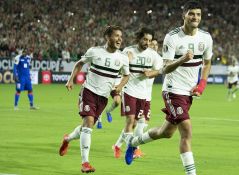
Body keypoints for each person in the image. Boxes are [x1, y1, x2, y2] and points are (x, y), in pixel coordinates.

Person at [125, 1, 213, 175]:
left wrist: (202, 83)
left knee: (165, 132)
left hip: (189, 93)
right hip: (173, 90)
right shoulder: (172, 37)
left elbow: (207, 62)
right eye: (191, 14)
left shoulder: (206, 38)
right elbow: (164, 68)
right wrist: (181, 60)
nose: (195, 17)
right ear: (184, 15)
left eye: (198, 14)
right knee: (186, 130)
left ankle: (133, 143)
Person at [58, 25, 130, 173]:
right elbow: (79, 64)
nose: (119, 39)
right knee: (88, 122)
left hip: (103, 98)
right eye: (116, 36)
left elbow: (127, 75)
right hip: (89, 91)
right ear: (107, 37)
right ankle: (85, 163)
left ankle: (68, 139)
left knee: (87, 127)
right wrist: (71, 79)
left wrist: (120, 86)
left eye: (121, 37)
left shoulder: (122, 58)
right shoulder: (95, 51)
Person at [112, 27, 163, 160]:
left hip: (145, 96)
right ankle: (132, 148)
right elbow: (118, 69)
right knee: (131, 122)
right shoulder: (128, 51)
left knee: (138, 124)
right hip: (129, 91)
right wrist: (126, 62)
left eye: (150, 40)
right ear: (139, 38)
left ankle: (118, 145)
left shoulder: (154, 56)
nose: (148, 43)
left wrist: (151, 73)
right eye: (145, 39)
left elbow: (162, 69)